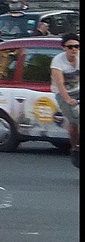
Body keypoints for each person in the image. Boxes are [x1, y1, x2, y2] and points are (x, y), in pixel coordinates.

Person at [50, 32, 79, 167]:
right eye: (70, 47)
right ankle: (74, 147)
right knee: (74, 120)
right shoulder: (58, 61)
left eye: (77, 46)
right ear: (64, 48)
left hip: (78, 90)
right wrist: (68, 99)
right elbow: (60, 84)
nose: (74, 49)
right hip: (63, 94)